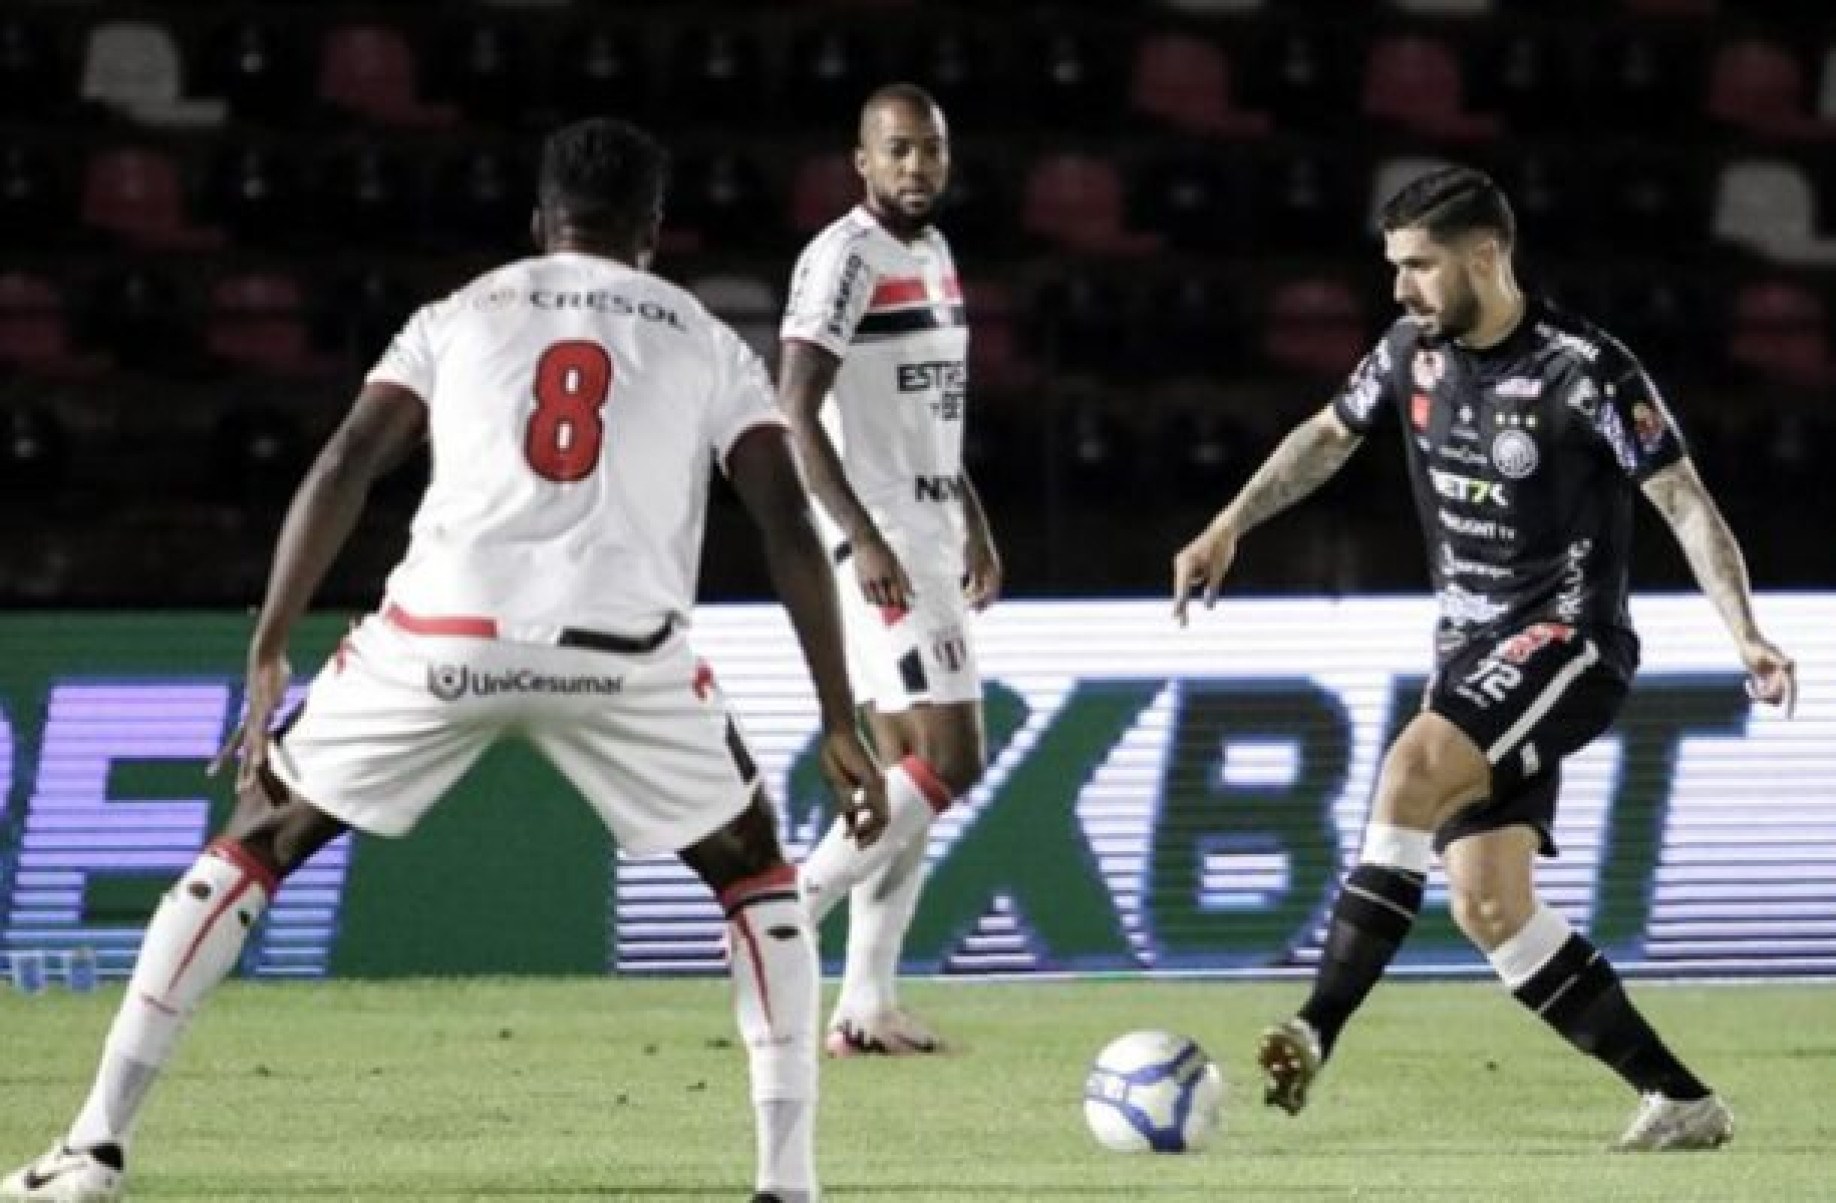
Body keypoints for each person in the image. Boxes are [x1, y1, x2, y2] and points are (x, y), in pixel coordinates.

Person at [2, 117, 887, 1203]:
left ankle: (93, 1147)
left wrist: (274, 641)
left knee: (257, 840)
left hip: (440, 639)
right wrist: (838, 715)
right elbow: (785, 518)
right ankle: (787, 1185)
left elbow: (346, 461)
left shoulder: (463, 313)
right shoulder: (705, 337)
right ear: (654, 231)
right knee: (756, 875)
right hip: (624, 654)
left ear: (537, 222)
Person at [1171, 166, 1798, 1151]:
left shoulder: (1584, 368)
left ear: (1486, 255)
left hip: (1569, 643)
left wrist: (1746, 632)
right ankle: (1681, 1099)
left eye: (1418, 267)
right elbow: (1329, 437)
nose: (1401, 290)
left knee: (1412, 769)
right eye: (1395, 269)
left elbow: (1682, 499)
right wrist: (1228, 525)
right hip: (1468, 659)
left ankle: (1314, 1025)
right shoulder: (1410, 353)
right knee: (1489, 904)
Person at [777, 83, 1001, 1057]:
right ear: (861, 160)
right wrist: (863, 535)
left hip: (930, 526)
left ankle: (864, 1005)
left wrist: (974, 521)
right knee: (954, 759)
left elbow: (931, 412)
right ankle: (788, 909)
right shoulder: (843, 258)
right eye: (898, 150)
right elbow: (792, 410)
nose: (917, 167)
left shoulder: (935, 254)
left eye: (932, 151)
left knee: (912, 772)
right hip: (888, 543)